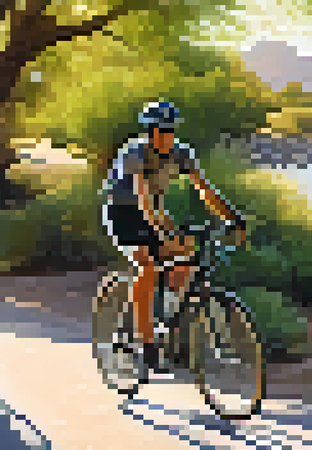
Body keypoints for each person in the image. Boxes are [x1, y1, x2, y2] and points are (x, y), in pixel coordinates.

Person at [102, 101, 246, 371]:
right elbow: (142, 197)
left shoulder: (181, 153)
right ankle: (145, 344)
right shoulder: (136, 153)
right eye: (158, 130)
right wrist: (161, 233)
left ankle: (165, 322)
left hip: (154, 210)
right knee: (146, 262)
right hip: (123, 212)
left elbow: (204, 189)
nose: (164, 136)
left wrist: (232, 217)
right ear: (149, 132)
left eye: (169, 130)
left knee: (188, 256)